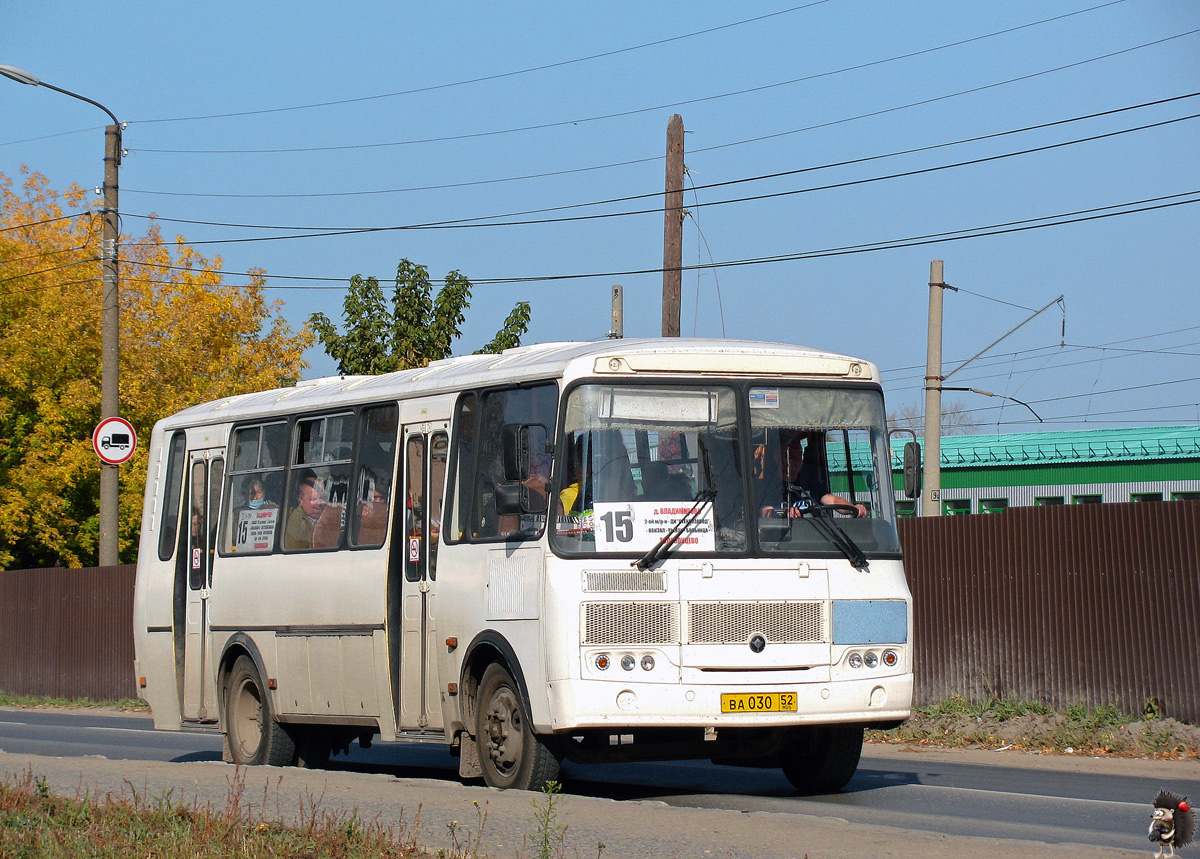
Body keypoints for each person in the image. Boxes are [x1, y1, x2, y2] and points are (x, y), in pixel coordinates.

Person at [760, 430, 867, 518]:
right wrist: (783, 514)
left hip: (815, 538)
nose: (797, 460)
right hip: (783, 540)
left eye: (799, 454)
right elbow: (765, 511)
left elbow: (833, 500)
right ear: (777, 456)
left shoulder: (809, 481)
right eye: (790, 455)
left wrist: (853, 508)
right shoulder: (767, 485)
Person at [284, 475, 328, 548]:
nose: (320, 503)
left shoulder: (331, 515)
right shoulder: (294, 521)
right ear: (300, 500)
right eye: (313, 499)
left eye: (322, 498)